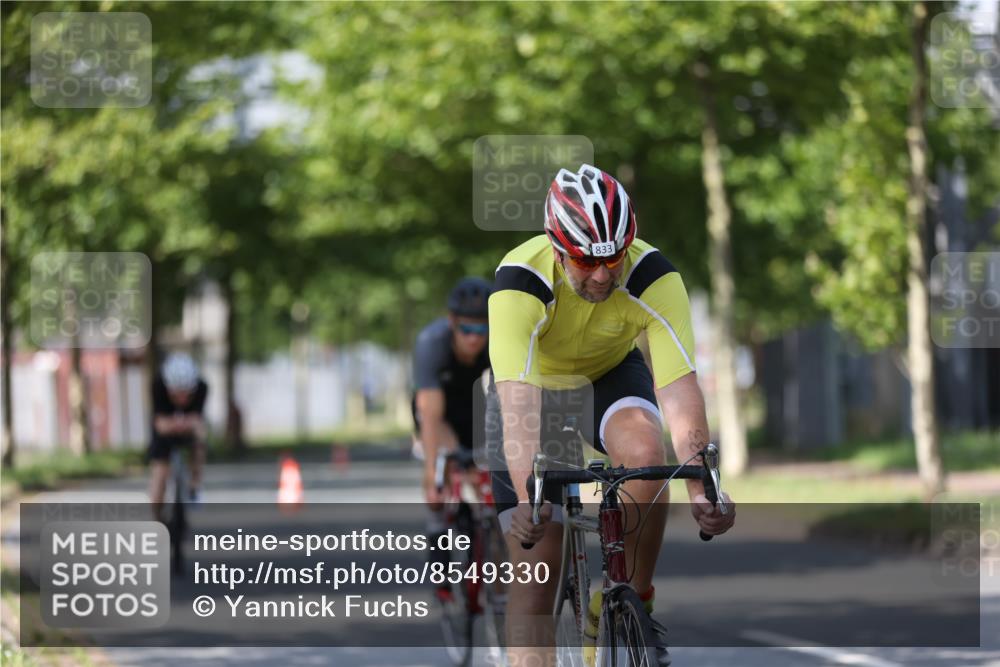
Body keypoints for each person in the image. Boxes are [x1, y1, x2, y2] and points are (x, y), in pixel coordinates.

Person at [487, 164, 736, 665]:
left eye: (612, 259)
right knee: (537, 576)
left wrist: (702, 489)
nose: (602, 275)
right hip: (536, 391)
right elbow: (517, 406)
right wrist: (528, 499)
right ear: (557, 249)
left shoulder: (653, 276)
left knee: (647, 454)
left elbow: (680, 390)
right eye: (583, 261)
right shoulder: (519, 282)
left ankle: (633, 598)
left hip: (610, 372)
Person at [412, 276, 492, 599]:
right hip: (437, 409)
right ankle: (438, 534)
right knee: (443, 469)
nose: (474, 339)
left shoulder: (497, 343)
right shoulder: (431, 343)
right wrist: (432, 471)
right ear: (452, 323)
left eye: (481, 330)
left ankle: (490, 545)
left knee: (486, 482)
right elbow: (431, 415)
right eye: (467, 330)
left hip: (474, 404)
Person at [148, 352, 208, 522]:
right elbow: (159, 423)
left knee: (200, 437)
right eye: (176, 394)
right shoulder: (157, 386)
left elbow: (198, 420)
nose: (182, 399)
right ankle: (157, 515)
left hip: (188, 426)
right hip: (164, 430)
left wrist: (187, 424)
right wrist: (174, 424)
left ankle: (195, 484)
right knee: (160, 472)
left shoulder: (202, 387)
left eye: (186, 394)